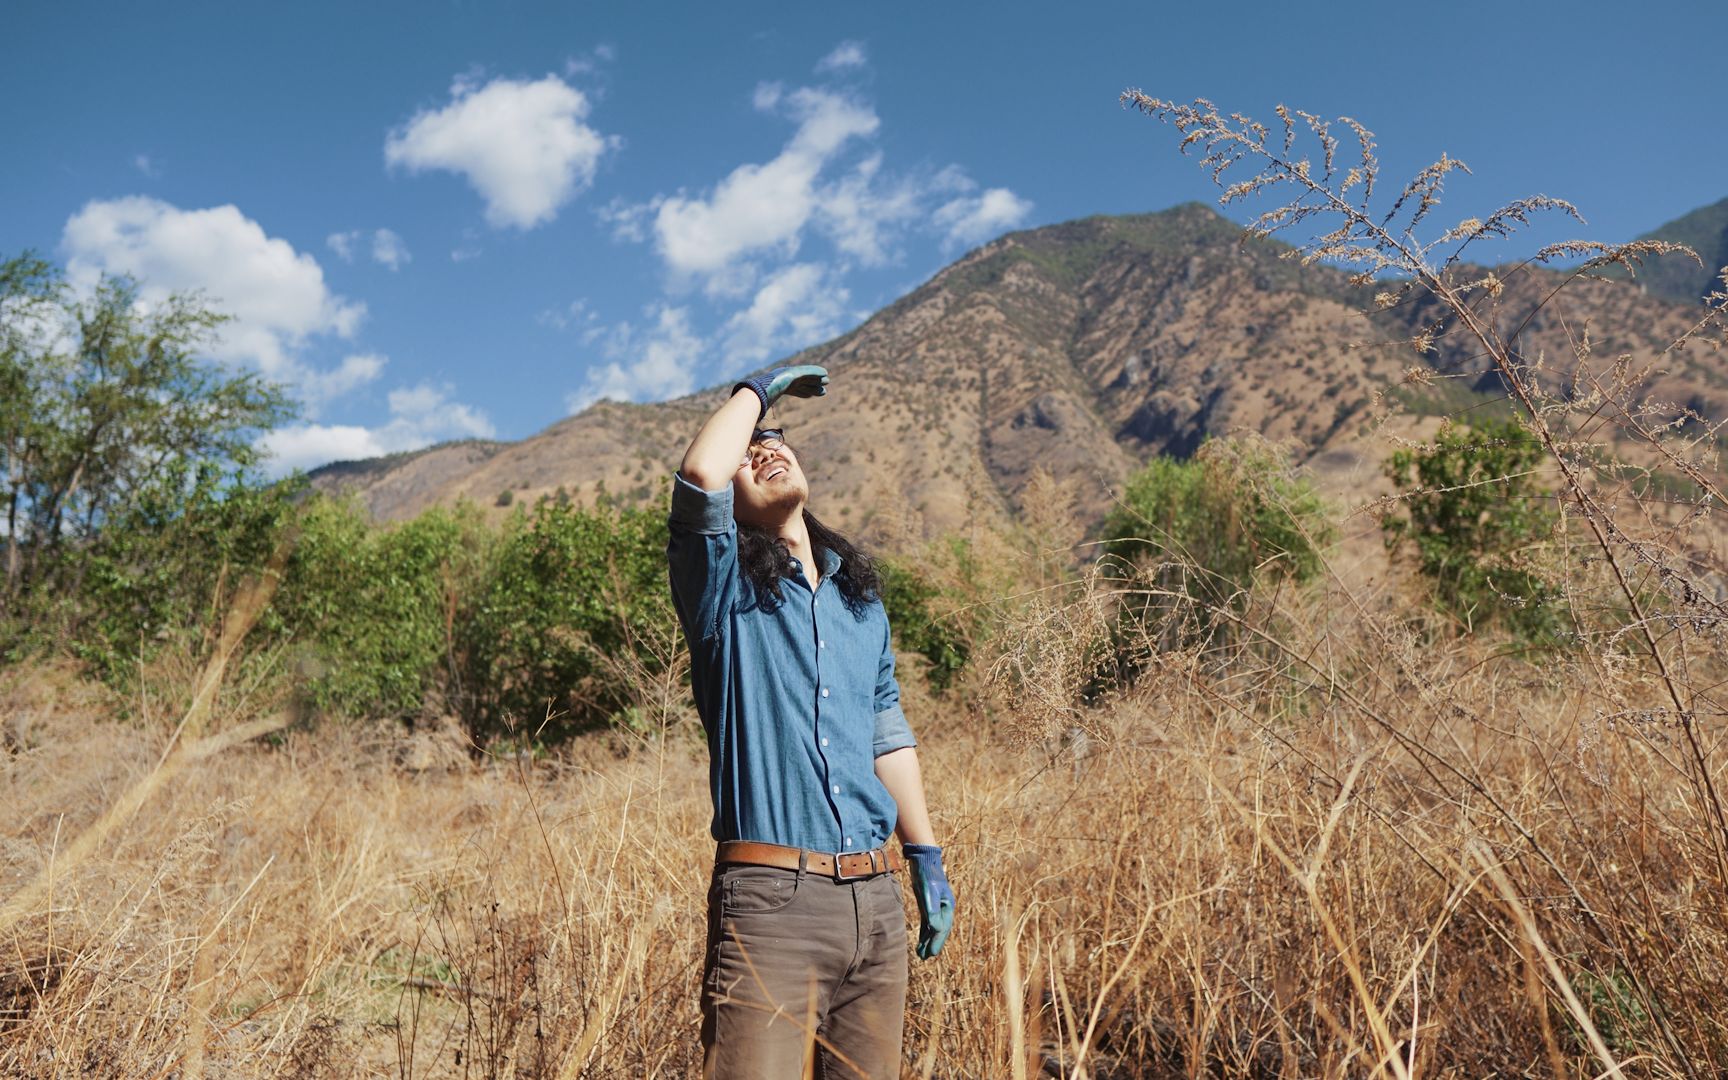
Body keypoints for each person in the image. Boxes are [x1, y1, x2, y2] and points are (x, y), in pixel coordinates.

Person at [666, 363, 956, 1079]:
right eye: (747, 450)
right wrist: (757, 389)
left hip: (876, 901)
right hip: (771, 906)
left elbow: (885, 726)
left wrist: (924, 855)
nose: (762, 449)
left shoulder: (862, 605)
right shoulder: (723, 595)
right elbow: (702, 472)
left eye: (776, 441)